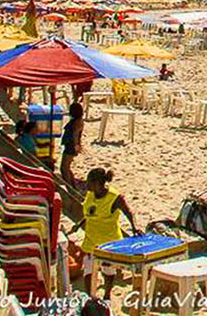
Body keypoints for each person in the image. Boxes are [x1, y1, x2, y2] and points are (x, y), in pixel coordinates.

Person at [75, 168, 138, 296]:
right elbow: (91, 213)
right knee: (88, 269)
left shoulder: (115, 198)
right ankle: (90, 296)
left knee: (107, 270)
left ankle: (107, 294)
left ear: (98, 183)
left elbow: (128, 212)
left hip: (108, 242)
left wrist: (134, 227)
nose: (87, 185)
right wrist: (80, 224)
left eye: (89, 182)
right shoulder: (90, 194)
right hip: (91, 239)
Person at [60, 102, 84, 187]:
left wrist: (76, 145)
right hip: (71, 145)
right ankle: (72, 185)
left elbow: (75, 134)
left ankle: (69, 185)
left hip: (71, 146)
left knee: (64, 167)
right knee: (66, 166)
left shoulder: (77, 122)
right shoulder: (77, 120)